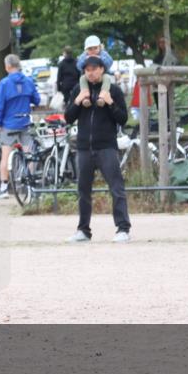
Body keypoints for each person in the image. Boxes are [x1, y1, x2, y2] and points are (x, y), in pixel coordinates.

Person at [64, 55, 131, 243]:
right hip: (84, 147)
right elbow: (68, 118)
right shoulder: (79, 89)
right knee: (83, 190)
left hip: (106, 147)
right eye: (87, 70)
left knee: (116, 188)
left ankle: (123, 228)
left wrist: (110, 102)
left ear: (102, 69)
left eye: (94, 68)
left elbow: (123, 119)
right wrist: (77, 101)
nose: (91, 72)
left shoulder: (114, 90)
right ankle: (83, 230)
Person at [0, 54, 40, 199]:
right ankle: (30, 185)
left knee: (5, 155)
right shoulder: (28, 81)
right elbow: (36, 100)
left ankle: (4, 188)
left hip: (9, 124)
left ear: (7, 66)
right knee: (29, 154)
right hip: (25, 122)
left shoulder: (4, 83)